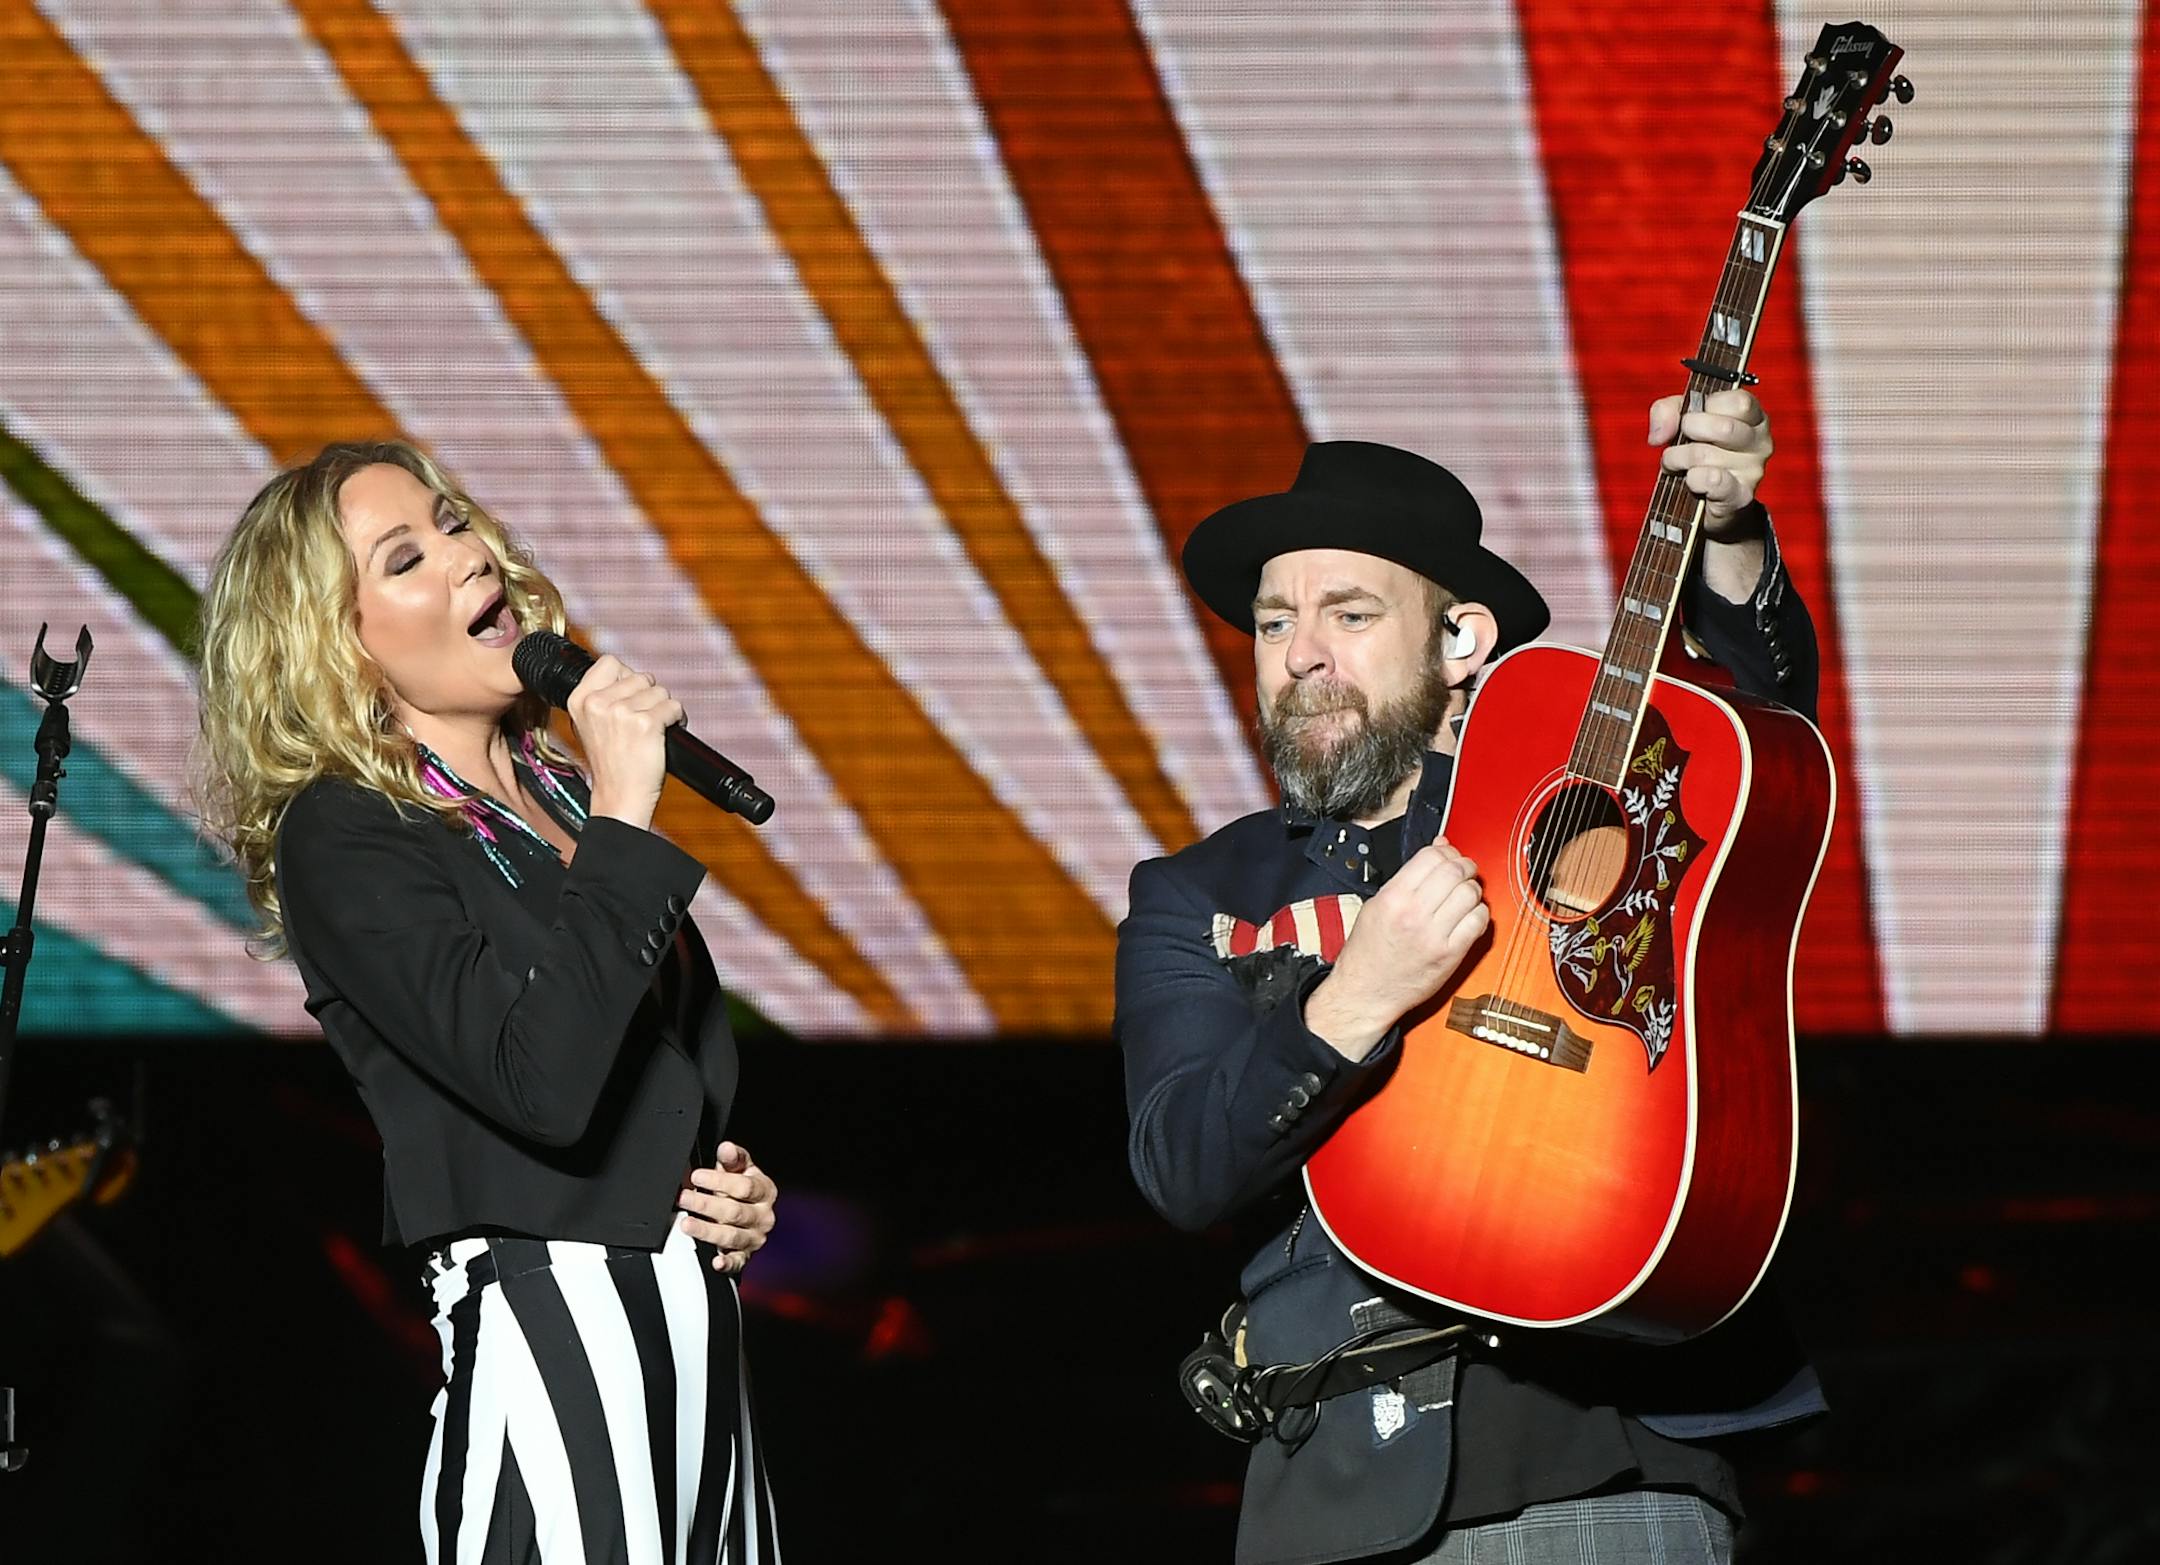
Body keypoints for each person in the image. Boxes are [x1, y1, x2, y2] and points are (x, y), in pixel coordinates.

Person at [1115, 390, 1825, 1565]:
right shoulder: (1196, 894)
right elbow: (1182, 1166)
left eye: (1349, 612)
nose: (1300, 653)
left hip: (1593, 1449)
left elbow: (1752, 746)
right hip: (1331, 1490)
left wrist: (1733, 541)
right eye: (1274, 618)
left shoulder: (1567, 806)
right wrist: (1354, 995)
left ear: (1461, 640)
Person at [196, 440, 782, 1563]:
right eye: (405, 555)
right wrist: (624, 809)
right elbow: (542, 1083)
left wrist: (726, 1183)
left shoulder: (555, 788)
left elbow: (661, 1063)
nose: (466, 555)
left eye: (453, 521)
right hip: (558, 1319)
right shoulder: (345, 831)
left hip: (694, 1328)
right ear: (339, 646)